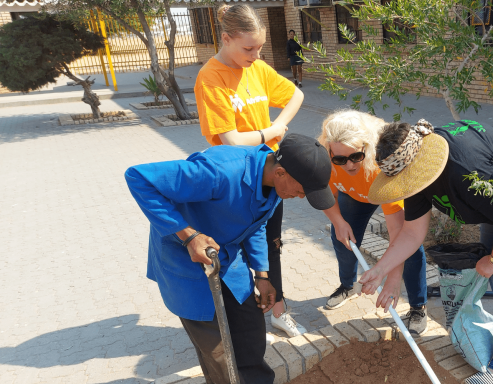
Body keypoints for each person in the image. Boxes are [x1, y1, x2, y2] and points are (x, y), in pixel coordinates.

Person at [360, 119, 493, 384]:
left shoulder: (465, 170)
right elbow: (411, 233)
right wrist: (380, 269)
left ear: (420, 165)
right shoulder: (414, 171)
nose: (407, 185)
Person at [125, 133, 334, 384]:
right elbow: (138, 177)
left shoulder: (274, 185)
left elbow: (256, 224)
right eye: (301, 191)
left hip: (228, 259)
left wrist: (262, 275)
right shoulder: (219, 171)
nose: (300, 197)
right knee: (218, 353)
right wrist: (189, 236)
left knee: (251, 334)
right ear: (280, 172)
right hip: (186, 261)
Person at [194, 3, 306, 338]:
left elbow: (295, 94)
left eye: (259, 47)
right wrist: (268, 134)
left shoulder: (256, 69)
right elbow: (230, 139)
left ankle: (277, 309)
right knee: (233, 250)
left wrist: (279, 125)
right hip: (234, 183)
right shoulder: (210, 77)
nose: (256, 55)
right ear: (226, 39)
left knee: (271, 246)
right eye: (248, 48)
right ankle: (238, 322)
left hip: (270, 176)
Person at [317, 110, 429, 335]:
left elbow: (398, 232)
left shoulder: (383, 165)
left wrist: (393, 279)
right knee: (343, 241)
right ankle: (348, 286)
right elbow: (324, 196)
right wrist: (338, 221)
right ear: (329, 151)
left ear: (366, 148)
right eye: (340, 159)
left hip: (380, 188)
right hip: (353, 195)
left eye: (355, 157)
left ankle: (418, 307)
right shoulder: (323, 160)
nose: (348, 166)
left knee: (410, 249)